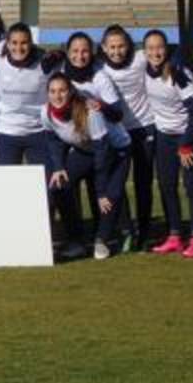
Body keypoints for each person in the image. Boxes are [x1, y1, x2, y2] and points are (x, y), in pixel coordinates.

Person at [41, 73, 128, 260]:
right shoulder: (45, 112)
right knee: (59, 186)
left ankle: (102, 240)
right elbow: (52, 138)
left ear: (71, 92)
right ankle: (76, 241)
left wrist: (101, 191)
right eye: (53, 91)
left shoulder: (90, 112)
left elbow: (102, 152)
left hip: (115, 151)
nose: (57, 96)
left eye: (62, 90)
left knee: (109, 197)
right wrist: (58, 166)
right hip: (85, 150)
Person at [142, 30, 193, 258]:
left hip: (189, 136)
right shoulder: (144, 67)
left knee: (192, 186)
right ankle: (174, 236)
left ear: (166, 48)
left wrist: (187, 143)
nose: (155, 52)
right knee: (166, 185)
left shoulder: (178, 72)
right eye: (150, 48)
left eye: (159, 47)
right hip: (164, 136)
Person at [98, 25, 157, 249]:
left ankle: (144, 233)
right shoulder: (99, 66)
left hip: (144, 128)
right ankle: (125, 230)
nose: (117, 51)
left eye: (121, 45)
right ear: (103, 48)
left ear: (129, 45)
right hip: (116, 132)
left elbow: (165, 52)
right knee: (116, 185)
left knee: (143, 183)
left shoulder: (141, 58)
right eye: (112, 47)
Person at [0, 23, 59, 172]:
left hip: (37, 131)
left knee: (47, 184)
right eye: (14, 43)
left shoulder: (45, 64)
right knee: (6, 184)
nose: (19, 48)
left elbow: (66, 62)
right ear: (7, 44)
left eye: (24, 43)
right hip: (6, 130)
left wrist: (60, 54)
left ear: (31, 43)